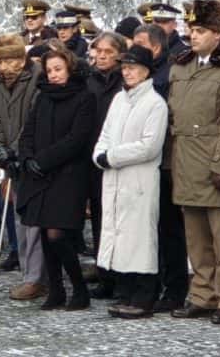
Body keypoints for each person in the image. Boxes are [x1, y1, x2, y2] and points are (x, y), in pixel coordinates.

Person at [168, 0, 220, 324]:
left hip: (216, 165)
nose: (193, 35)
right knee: (196, 238)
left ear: (219, 34)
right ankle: (202, 295)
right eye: (191, 29)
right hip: (186, 162)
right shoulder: (181, 67)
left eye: (200, 30)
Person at [17, 45, 96, 311]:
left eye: (58, 69)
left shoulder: (84, 97)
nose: (53, 75)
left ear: (69, 68)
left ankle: (79, 288)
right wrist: (27, 157)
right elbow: (29, 130)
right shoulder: (43, 97)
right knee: (42, 229)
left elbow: (76, 139)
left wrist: (44, 160)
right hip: (39, 173)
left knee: (57, 234)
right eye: (49, 70)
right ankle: (56, 290)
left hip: (68, 174)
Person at [93, 45, 168, 318]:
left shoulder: (155, 104)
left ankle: (145, 295)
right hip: (114, 179)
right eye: (124, 68)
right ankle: (125, 290)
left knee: (140, 239)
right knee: (119, 235)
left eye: (133, 68)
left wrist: (111, 156)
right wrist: (99, 154)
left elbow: (149, 146)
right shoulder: (118, 100)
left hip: (140, 181)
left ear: (146, 71)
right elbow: (105, 134)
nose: (128, 72)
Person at [133, 22, 189, 311]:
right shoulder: (149, 74)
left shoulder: (165, 77)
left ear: (155, 47)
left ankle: (175, 288)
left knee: (169, 230)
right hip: (151, 162)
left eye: (138, 44)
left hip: (165, 161)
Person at [0, 34, 46, 298]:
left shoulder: (36, 79)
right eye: (1, 60)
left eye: (10, 60)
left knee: (33, 221)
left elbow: (33, 120)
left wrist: (18, 151)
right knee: (19, 217)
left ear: (21, 59)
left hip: (31, 157)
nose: (4, 66)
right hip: (11, 158)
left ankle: (36, 276)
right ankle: (27, 273)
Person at [85, 32, 126, 299]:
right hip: (91, 158)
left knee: (120, 219)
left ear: (119, 55)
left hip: (118, 158)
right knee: (100, 219)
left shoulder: (125, 82)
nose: (101, 56)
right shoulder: (89, 81)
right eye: (97, 51)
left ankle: (122, 275)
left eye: (107, 52)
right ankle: (104, 273)